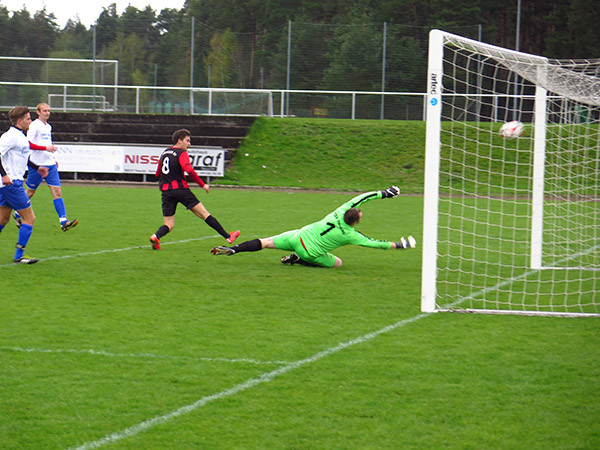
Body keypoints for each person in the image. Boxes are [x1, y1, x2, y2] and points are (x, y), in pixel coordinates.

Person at [211, 186, 416, 268]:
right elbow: (374, 244)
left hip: (297, 236)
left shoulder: (340, 210)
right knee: (338, 264)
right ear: (354, 222)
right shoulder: (351, 235)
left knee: (265, 242)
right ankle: (298, 260)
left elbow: (362, 198)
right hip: (308, 251)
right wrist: (400, 245)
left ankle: (234, 249)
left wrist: (386, 192)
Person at [149, 128, 240, 250]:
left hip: (166, 192)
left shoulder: (165, 152)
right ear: (179, 140)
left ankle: (156, 236)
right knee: (204, 214)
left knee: (169, 224)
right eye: (187, 140)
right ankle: (228, 236)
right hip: (181, 190)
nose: (189, 144)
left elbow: (157, 173)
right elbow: (189, 169)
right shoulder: (182, 153)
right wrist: (202, 184)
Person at [0, 106, 54, 264]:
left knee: (3, 220)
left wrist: (37, 168)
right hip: (12, 184)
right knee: (29, 218)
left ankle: (19, 255)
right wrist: (4, 175)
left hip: (9, 184)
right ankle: (19, 255)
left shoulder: (21, 136)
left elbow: (23, 157)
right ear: (19, 121)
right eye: (28, 119)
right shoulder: (9, 137)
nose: (30, 121)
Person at [13, 102, 78, 231]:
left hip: (50, 165)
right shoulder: (34, 126)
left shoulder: (48, 127)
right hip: (37, 165)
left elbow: (48, 143)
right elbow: (28, 143)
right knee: (30, 192)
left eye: (48, 110)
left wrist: (53, 158)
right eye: (44, 111)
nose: (47, 113)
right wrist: (45, 148)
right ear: (38, 112)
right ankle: (16, 212)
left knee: (57, 192)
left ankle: (63, 222)